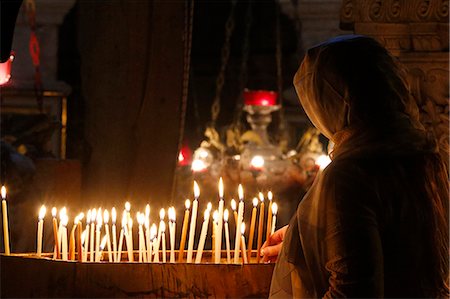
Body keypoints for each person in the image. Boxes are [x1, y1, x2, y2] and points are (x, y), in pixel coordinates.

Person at [261, 35, 449, 298]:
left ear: (328, 101)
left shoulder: (349, 174)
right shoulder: (422, 157)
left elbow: (353, 289)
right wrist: (306, 241)